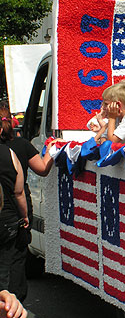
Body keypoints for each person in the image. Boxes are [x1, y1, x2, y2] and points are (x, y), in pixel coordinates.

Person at [0, 108, 60, 302]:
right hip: (16, 209)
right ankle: (14, 298)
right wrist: (51, 150)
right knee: (17, 255)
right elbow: (42, 169)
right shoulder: (21, 146)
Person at [0, 142, 28, 298]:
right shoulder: (9, 153)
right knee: (4, 266)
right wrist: (24, 215)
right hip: (7, 219)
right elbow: (19, 192)